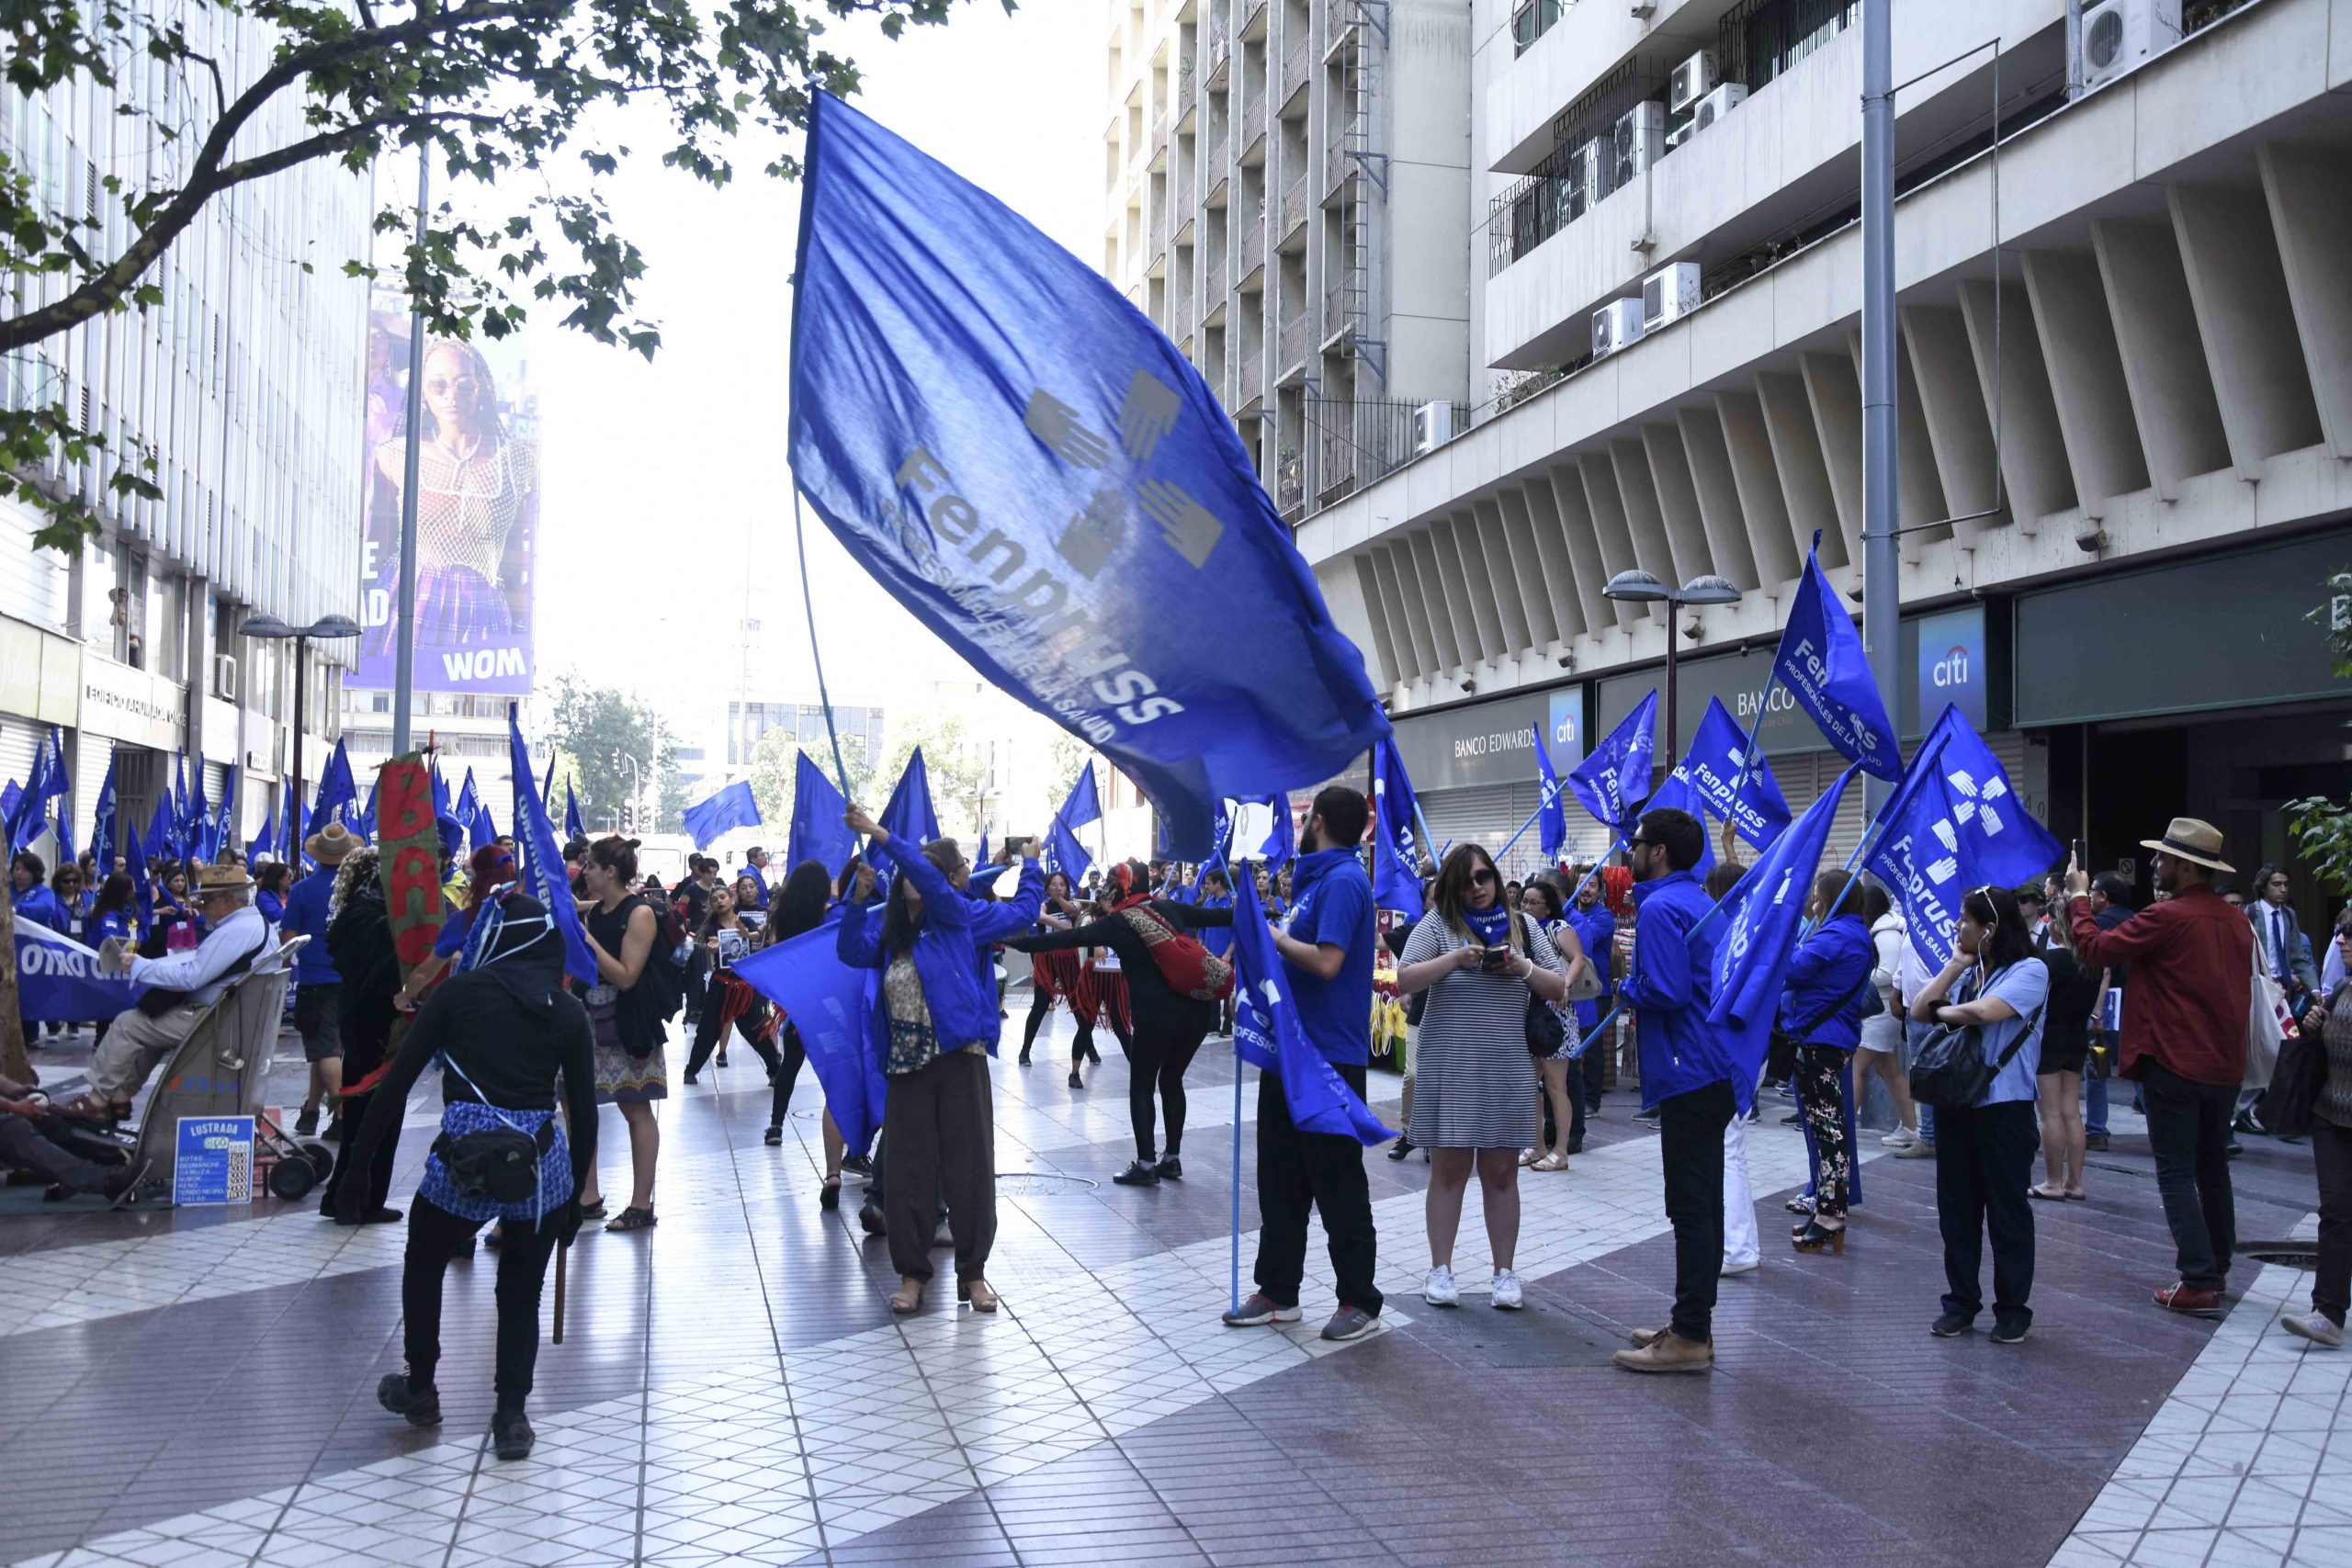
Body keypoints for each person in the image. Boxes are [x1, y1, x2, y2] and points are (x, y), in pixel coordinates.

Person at [339, 893, 595, 1461]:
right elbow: (584, 1107)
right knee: (520, 1293)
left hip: (463, 1159)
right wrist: (575, 1198)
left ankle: (422, 1387)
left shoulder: (455, 996)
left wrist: (357, 1169)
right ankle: (511, 1417)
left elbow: (395, 1086)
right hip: (542, 1165)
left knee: (426, 1260)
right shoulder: (567, 1009)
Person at [835, 805, 1041, 1314]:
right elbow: (848, 951)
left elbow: (941, 882)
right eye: (907, 871)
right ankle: (912, 1275)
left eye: (923, 872)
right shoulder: (891, 931)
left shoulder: (953, 917)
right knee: (907, 1170)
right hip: (906, 1063)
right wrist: (856, 900)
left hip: (957, 1057)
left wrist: (879, 833)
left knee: (968, 1167)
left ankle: (973, 1275)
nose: (913, 878)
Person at [2066, 819, 2253, 1317]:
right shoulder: (2237, 920)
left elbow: (2095, 949)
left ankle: (2198, 1280)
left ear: (2187, 867)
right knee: (2212, 1167)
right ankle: (2216, 1265)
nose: (2155, 863)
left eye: (2164, 857)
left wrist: (2079, 899)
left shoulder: (2168, 916)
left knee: (2174, 1171)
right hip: (2223, 1065)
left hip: (2175, 1060)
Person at [1222, 785, 1384, 1344]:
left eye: (1304, 817)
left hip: (1327, 1059)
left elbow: (1329, 963)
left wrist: (1271, 938)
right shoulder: (1317, 882)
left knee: (1337, 1183)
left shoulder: (1342, 882)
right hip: (1288, 1053)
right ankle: (1278, 1291)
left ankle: (1359, 1299)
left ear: (1315, 821)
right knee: (1280, 1179)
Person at [1393, 845, 1575, 1311]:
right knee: (1449, 1173)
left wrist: (1521, 966)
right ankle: (1440, 1270)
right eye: (1468, 880)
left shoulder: (1525, 927)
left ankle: (1504, 1274)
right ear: (1453, 886)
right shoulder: (1437, 925)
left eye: (1484, 877)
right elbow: (1406, 979)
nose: (1478, 887)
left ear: (1496, 879)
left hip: (1506, 1066)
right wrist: (1455, 960)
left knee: (1500, 1175)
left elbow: (1559, 989)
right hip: (1449, 1064)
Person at [1009, 860, 1234, 1187]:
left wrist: (1009, 941)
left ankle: (1145, 1165)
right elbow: (1218, 916)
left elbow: (1063, 940)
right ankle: (1171, 1160)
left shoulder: (1118, 922)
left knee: (1142, 1085)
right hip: (1195, 1010)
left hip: (1155, 1015)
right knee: (1172, 1080)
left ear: (1121, 887)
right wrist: (1263, 914)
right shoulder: (1168, 907)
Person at [1612, 807, 1734, 1374]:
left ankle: (1688, 1335)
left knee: (1690, 1206)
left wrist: (1623, 986)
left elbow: (1665, 988)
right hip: (1709, 1066)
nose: (1628, 852)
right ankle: (1694, 1324)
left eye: (1636, 843)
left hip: (1690, 1068)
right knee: (1702, 1204)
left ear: (1657, 851)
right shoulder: (1697, 899)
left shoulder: (1660, 907)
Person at [1913, 885, 2049, 1344]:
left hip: (2005, 1109)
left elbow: (1987, 1012)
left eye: (1965, 920)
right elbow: (1917, 1010)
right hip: (1958, 1104)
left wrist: (1943, 1012)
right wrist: (1955, 964)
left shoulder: (2030, 970)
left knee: (2007, 1212)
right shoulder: (1971, 972)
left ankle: (2013, 1310)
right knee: (1957, 1211)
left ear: (1988, 928)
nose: (1956, 926)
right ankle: (1960, 1304)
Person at [62, 863, 274, 1122]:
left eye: (206, 901)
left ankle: (96, 1100)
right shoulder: (254, 924)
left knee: (127, 1025)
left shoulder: (235, 932)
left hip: (217, 1021)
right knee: (152, 1021)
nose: (201, 908)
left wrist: (140, 966)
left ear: (227, 901)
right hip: (231, 1016)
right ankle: (120, 1097)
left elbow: (192, 977)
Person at [367, 336, 535, 656]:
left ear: (481, 388)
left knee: (476, 697)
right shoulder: (395, 456)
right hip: (406, 599)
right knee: (386, 687)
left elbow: (523, 552)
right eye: (438, 386)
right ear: (423, 394)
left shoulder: (516, 459)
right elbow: (379, 536)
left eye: (463, 386)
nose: (451, 397)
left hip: (482, 607)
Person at [574, 836, 671, 1232]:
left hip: (627, 1022)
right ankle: (587, 1196)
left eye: (590, 867)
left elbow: (627, 976)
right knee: (576, 1104)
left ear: (609, 872)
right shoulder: (597, 910)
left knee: (635, 1107)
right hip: (591, 1019)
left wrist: (588, 941)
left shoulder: (640, 913)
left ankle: (640, 1203)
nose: (584, 873)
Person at [1781, 872, 1876, 1256]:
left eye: (1819, 898)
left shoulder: (1837, 935)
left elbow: (1792, 970)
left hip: (1823, 1041)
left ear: (1835, 899)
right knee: (1826, 1131)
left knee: (1828, 1134)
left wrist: (1785, 939)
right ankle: (1826, 1207)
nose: (1815, 905)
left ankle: (1832, 1214)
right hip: (1827, 1039)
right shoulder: (1849, 933)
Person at [321, 845, 406, 1224]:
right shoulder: (378, 919)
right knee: (379, 1113)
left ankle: (345, 1195)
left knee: (361, 1113)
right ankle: (359, 1199)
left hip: (357, 1021)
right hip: (380, 1026)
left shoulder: (352, 913)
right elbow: (389, 973)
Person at [2282, 919, 2352, 1348]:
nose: (2342, 940)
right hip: (2331, 1117)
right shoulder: (2342, 990)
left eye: (2351, 934)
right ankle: (2328, 1314)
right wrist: (2311, 1024)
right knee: (2336, 1213)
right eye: (2342, 932)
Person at [758, 863, 840, 1189]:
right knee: (834, 1071)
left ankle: (776, 1125)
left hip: (797, 1001)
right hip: (827, 1001)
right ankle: (844, 1139)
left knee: (790, 1065)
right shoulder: (830, 917)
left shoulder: (782, 915)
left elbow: (776, 952)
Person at [284, 823, 354, 1138]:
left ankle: (342, 1114)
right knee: (327, 1049)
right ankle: (310, 1112)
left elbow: (288, 939)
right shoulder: (354, 890)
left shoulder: (301, 890)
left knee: (324, 1051)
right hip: (350, 979)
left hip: (315, 979)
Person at [1514, 878, 1590, 1165]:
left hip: (1556, 1013)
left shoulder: (1558, 927)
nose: (1527, 907)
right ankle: (1537, 1146)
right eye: (1524, 901)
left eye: (1534, 902)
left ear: (1548, 906)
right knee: (1530, 1084)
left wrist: (1565, 987)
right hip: (1530, 1011)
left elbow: (1578, 959)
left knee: (1556, 1085)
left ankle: (1561, 1150)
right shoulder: (1519, 931)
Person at [2030, 892, 2101, 1201]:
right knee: (2072, 1111)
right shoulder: (2090, 962)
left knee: (2049, 1114)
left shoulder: (2050, 961)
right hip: (2077, 1037)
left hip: (2049, 1039)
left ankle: (2053, 1181)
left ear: (2057, 925)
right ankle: (2076, 1182)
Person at [2243, 863, 2318, 1135]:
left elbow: (2298, 955)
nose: (2283, 889)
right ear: (2263, 886)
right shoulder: (2249, 913)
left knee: (2282, 1048)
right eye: (2277, 884)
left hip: (2282, 993)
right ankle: (2239, 1111)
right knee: (2266, 1048)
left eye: (2286, 884)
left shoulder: (2288, 916)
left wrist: (2315, 989)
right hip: (2258, 989)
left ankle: (2255, 1111)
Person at [1858, 887, 1921, 1150]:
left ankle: (1843, 1127)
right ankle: (1911, 1127)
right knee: (1890, 1071)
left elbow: (1887, 972)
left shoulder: (1885, 934)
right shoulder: (1887, 930)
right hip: (1881, 1010)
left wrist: (1854, 981)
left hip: (1880, 1012)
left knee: (1854, 1068)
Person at [1015, 870, 1091, 1070]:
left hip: (1068, 960)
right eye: (1054, 884)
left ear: (1067, 888)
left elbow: (1074, 912)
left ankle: (1089, 1047)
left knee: (1077, 1004)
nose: (1058, 887)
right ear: (1047, 887)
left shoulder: (1076, 904)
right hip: (1046, 960)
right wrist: (1067, 930)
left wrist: (1062, 901)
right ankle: (1025, 1050)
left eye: (1062, 885)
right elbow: (1041, 917)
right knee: (1040, 1005)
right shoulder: (1042, 905)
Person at [2085, 871, 2134, 1151]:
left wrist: (2097, 1011)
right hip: (2134, 1003)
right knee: (2137, 1066)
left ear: (2103, 896)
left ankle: (2096, 1129)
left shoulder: (2098, 925)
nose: (2090, 896)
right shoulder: (2138, 921)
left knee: (2097, 1067)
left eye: (2092, 891)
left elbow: (2103, 969)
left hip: (2104, 1006)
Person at [1564, 870, 1616, 1118]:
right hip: (1570, 986)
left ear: (1600, 890)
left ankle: (1591, 1100)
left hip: (1596, 990)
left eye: (1592, 885)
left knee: (1590, 1043)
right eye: (1582, 884)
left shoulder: (1604, 917)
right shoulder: (1569, 915)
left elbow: (1583, 941)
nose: (1586, 890)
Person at [254, 863, 293, 927]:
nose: (291, 878)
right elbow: (274, 916)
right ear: (278, 878)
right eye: (288, 876)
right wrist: (296, 908)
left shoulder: (292, 893)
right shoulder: (263, 896)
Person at [741, 845, 774, 910]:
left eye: (765, 855)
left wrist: (771, 891)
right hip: (755, 912)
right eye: (762, 855)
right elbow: (750, 896)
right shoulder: (749, 874)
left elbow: (761, 893)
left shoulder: (756, 872)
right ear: (753, 860)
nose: (766, 857)